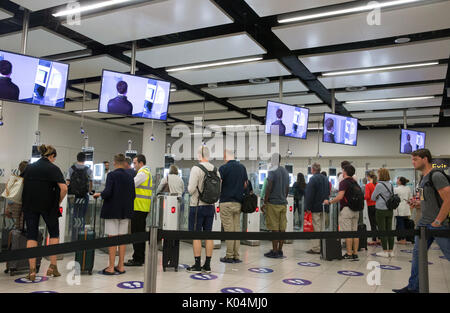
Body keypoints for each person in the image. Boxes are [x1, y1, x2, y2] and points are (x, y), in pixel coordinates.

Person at [393, 149, 450, 293]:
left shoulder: (436, 175)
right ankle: (414, 287)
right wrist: (417, 204)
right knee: (418, 256)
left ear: (425, 159)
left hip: (438, 225)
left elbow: (448, 199)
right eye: (412, 159)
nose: (413, 162)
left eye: (415, 159)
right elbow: (427, 200)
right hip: (424, 224)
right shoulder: (423, 178)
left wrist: (438, 221)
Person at [21, 145, 68, 281]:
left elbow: (21, 182)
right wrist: (58, 201)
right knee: (54, 233)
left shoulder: (29, 167)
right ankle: (53, 266)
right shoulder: (53, 168)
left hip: (29, 204)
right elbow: (64, 188)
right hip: (48, 205)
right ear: (52, 156)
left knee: (31, 236)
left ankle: (32, 270)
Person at [93, 154, 135, 275]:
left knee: (112, 238)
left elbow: (107, 192)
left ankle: (111, 267)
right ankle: (120, 265)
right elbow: (133, 195)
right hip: (126, 211)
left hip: (112, 210)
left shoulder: (112, 175)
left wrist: (99, 194)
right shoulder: (130, 176)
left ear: (115, 163)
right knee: (122, 238)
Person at [186, 146, 221, 273]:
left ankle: (196, 264)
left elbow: (190, 190)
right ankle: (207, 265)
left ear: (200, 155)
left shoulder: (196, 169)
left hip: (197, 206)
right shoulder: (216, 170)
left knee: (196, 236)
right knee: (208, 235)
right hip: (210, 207)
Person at [324, 165, 360, 261]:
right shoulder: (355, 182)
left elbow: (340, 197)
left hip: (347, 210)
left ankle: (349, 253)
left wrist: (330, 202)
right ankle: (355, 253)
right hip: (356, 210)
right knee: (355, 232)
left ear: (345, 172)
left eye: (343, 171)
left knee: (348, 233)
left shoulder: (344, 183)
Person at [218, 149, 248, 264]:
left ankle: (229, 256)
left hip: (226, 202)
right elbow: (245, 184)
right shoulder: (242, 167)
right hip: (238, 203)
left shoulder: (223, 168)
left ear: (226, 156)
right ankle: (236, 255)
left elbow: (219, 184)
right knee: (236, 229)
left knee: (229, 230)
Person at [125, 154, 152, 267]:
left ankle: (138, 258)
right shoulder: (146, 172)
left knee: (137, 233)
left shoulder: (142, 173)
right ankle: (138, 256)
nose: (133, 165)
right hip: (142, 207)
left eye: (135, 163)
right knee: (139, 232)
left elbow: (131, 184)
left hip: (139, 207)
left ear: (141, 163)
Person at [261, 153, 289, 258]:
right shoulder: (285, 172)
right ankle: (280, 250)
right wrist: (283, 198)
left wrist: (265, 201)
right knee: (282, 228)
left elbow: (269, 186)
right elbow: (287, 188)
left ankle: (274, 251)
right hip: (283, 204)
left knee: (274, 228)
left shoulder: (272, 171)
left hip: (273, 203)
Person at [66, 152, 93, 240]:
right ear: (84, 159)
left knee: (74, 215)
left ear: (77, 159)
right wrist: (89, 191)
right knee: (82, 216)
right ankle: (80, 236)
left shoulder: (71, 169)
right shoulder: (88, 170)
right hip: (84, 196)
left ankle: (73, 237)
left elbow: (67, 182)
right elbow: (90, 182)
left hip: (73, 196)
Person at [305, 163, 330, 254]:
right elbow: (328, 192)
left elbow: (309, 194)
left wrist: (308, 207)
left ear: (312, 170)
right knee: (323, 227)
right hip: (324, 206)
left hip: (315, 207)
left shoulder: (313, 179)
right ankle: (323, 246)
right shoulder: (325, 179)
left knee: (316, 227)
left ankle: (316, 248)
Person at [371, 168, 395, 257]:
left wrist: (378, 197)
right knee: (389, 230)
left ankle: (385, 251)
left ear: (380, 175)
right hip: (390, 209)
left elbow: (373, 197)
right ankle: (391, 251)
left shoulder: (379, 185)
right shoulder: (391, 185)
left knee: (382, 230)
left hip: (381, 209)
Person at [5, 161, 28, 230]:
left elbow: (9, 196)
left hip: (14, 207)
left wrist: (7, 208)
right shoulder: (29, 181)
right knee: (21, 227)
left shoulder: (15, 180)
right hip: (23, 206)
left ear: (19, 168)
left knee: (15, 228)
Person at [394, 177, 413, 245]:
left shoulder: (396, 189)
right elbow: (410, 198)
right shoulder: (408, 188)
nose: (396, 181)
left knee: (400, 224)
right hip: (406, 207)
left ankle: (402, 239)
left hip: (399, 208)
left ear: (400, 182)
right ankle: (404, 238)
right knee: (405, 223)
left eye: (397, 180)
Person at [365, 171, 380, 246]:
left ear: (369, 177)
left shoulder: (368, 185)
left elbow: (367, 196)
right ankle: (380, 239)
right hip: (377, 205)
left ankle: (374, 239)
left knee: (372, 223)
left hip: (370, 205)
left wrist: (362, 197)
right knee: (378, 222)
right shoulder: (377, 185)